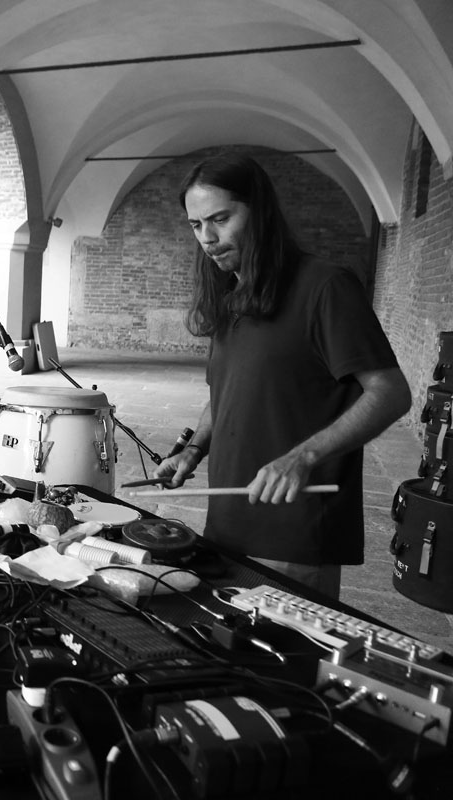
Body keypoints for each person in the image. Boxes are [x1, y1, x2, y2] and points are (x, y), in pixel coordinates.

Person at [154, 152, 410, 599]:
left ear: (260, 213)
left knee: (284, 664)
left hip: (295, 532)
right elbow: (227, 392)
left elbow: (390, 393)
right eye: (196, 225)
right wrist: (194, 450)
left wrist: (303, 457)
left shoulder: (325, 287)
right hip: (228, 524)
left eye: (220, 219)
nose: (208, 238)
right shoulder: (231, 295)